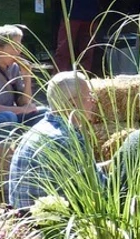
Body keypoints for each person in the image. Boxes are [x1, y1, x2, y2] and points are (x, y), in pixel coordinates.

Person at [7, 71, 96, 209]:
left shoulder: (38, 130)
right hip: (56, 219)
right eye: (89, 96)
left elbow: (85, 172)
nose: (94, 101)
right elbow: (98, 188)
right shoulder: (67, 138)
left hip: (24, 217)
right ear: (72, 103)